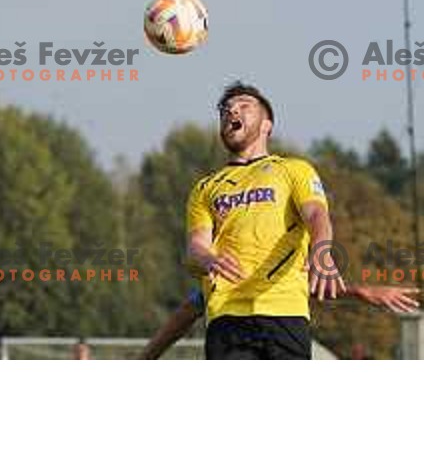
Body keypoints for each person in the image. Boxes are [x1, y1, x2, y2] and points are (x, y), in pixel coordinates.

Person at [186, 82, 346, 360]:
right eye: (226, 110)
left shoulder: (294, 169)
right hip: (226, 316)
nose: (232, 111)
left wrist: (321, 252)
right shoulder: (206, 187)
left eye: (244, 106)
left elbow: (317, 216)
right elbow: (195, 247)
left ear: (266, 125)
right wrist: (209, 259)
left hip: (284, 312)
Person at [140, 285, 420, 360]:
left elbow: (310, 285)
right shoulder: (218, 282)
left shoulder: (284, 271)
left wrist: (360, 292)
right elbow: (186, 312)